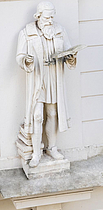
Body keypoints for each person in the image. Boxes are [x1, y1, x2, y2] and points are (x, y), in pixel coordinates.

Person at [16, 2, 76, 167]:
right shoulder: (27, 32)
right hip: (37, 78)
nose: (50, 20)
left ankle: (52, 147)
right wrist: (25, 60)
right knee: (37, 116)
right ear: (39, 16)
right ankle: (36, 153)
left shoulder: (59, 30)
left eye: (52, 17)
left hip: (54, 77)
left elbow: (68, 49)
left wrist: (70, 56)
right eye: (47, 17)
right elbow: (20, 55)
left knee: (52, 113)